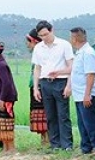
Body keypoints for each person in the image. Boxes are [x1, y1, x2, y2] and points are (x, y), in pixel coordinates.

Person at [30, 20, 74, 150]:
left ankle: (67, 144)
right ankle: (55, 144)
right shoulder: (38, 47)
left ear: (51, 30)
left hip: (61, 81)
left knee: (63, 115)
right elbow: (37, 68)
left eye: (45, 34)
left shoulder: (64, 45)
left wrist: (68, 86)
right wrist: (35, 88)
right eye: (41, 36)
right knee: (50, 115)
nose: (44, 38)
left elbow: (71, 67)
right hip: (45, 83)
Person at [66, 27, 95, 156]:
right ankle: (86, 147)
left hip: (87, 94)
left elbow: (90, 75)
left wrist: (87, 94)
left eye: (71, 37)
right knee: (82, 123)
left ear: (75, 38)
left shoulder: (88, 53)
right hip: (79, 94)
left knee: (91, 122)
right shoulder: (79, 53)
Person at [24, 28, 49, 147]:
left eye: (28, 41)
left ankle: (48, 140)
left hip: (42, 87)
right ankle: (43, 140)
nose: (27, 44)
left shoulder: (44, 54)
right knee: (38, 115)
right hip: (35, 87)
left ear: (34, 41)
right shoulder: (36, 54)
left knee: (44, 114)